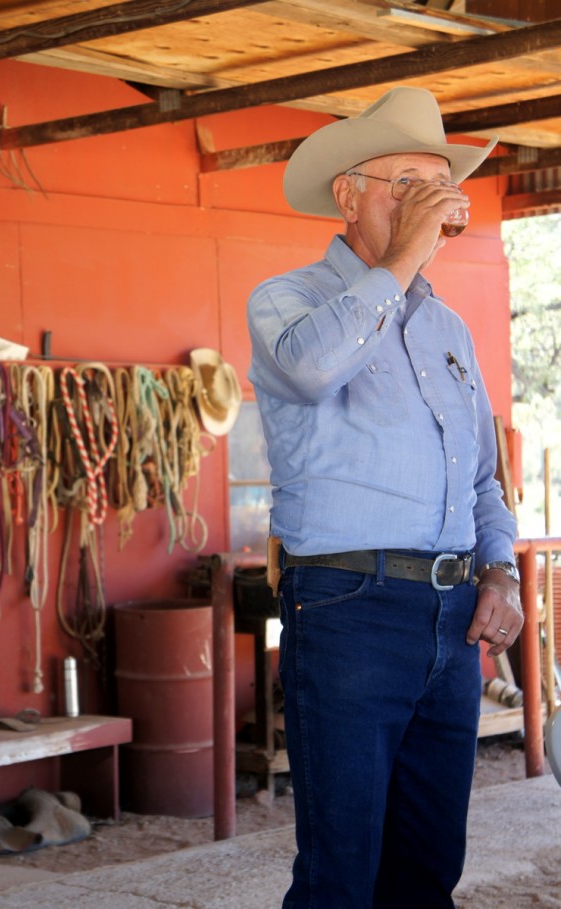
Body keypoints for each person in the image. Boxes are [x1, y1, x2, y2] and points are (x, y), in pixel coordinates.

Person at [246, 86, 524, 909]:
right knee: (340, 877)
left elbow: (482, 476)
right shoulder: (286, 299)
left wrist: (501, 570)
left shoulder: (447, 328)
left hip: (452, 613)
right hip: (349, 607)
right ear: (348, 194)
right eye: (404, 184)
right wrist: (402, 257)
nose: (427, 205)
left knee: (427, 871)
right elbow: (308, 367)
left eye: (436, 187)